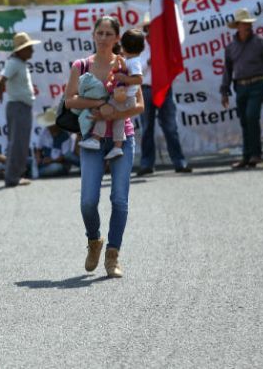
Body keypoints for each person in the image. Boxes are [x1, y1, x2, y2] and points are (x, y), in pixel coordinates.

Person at [64, 16, 144, 278]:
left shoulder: (125, 64)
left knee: (119, 200)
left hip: (123, 137)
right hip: (91, 140)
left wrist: (114, 115)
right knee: (88, 201)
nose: (103, 38)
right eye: (100, 32)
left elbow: (140, 105)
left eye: (109, 33)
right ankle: (93, 240)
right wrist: (99, 107)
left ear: (117, 38)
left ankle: (112, 255)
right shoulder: (81, 65)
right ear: (93, 34)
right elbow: (69, 102)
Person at [220, 8, 263, 168]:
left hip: (258, 83)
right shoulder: (230, 47)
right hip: (240, 86)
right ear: (238, 26)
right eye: (244, 24)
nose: (247, 26)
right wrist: (224, 91)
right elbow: (227, 71)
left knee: (251, 116)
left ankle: (256, 154)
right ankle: (246, 156)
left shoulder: (261, 42)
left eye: (249, 23)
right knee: (244, 121)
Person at [0, 32, 39, 188]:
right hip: (18, 107)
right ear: (20, 50)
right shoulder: (14, 63)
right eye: (29, 48)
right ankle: (12, 177)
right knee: (17, 144)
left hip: (22, 107)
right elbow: (1, 80)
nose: (32, 51)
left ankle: (15, 175)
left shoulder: (19, 63)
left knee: (21, 143)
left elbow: (3, 83)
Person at [137, 18, 192, 175]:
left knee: (170, 127)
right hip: (146, 89)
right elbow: (135, 68)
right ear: (147, 28)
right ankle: (147, 164)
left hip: (164, 88)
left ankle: (179, 162)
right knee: (147, 128)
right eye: (150, 27)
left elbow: (173, 63)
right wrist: (149, 61)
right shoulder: (139, 45)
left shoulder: (165, 44)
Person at [79, 28, 144, 161]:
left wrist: (123, 78)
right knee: (119, 122)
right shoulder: (129, 61)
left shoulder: (135, 62)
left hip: (124, 98)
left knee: (105, 112)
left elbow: (138, 79)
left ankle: (96, 139)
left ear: (123, 47)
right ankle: (117, 147)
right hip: (125, 98)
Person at [34, 108, 80, 177]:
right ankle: (36, 171)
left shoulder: (65, 135)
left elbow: (65, 156)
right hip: (46, 162)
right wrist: (38, 159)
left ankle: (36, 173)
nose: (49, 127)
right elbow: (38, 149)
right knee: (29, 161)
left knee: (56, 167)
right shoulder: (44, 132)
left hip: (59, 163)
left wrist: (51, 160)